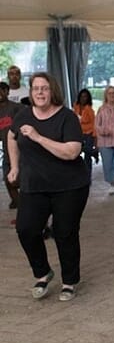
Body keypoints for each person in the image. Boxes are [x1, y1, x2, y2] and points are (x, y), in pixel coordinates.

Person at [6, 72, 90, 302]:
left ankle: (69, 281)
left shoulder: (67, 117)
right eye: (35, 88)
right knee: (26, 229)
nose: (40, 92)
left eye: (44, 88)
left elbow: (72, 152)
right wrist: (14, 167)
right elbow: (11, 138)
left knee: (65, 233)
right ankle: (43, 272)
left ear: (52, 91)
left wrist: (38, 137)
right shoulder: (23, 115)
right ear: (31, 92)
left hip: (70, 186)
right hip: (35, 185)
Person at [0, 82, 25, 210]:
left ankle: (25, 210)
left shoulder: (17, 108)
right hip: (6, 151)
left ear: (7, 92)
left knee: (24, 182)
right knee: (8, 180)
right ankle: (20, 206)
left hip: (21, 150)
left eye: (2, 90)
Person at [73, 88, 98, 179]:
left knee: (87, 157)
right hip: (78, 134)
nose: (83, 98)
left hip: (88, 134)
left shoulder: (90, 110)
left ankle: (87, 178)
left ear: (88, 99)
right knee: (76, 153)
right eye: (82, 96)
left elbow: (94, 124)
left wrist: (95, 138)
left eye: (85, 97)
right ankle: (93, 153)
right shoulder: (75, 107)